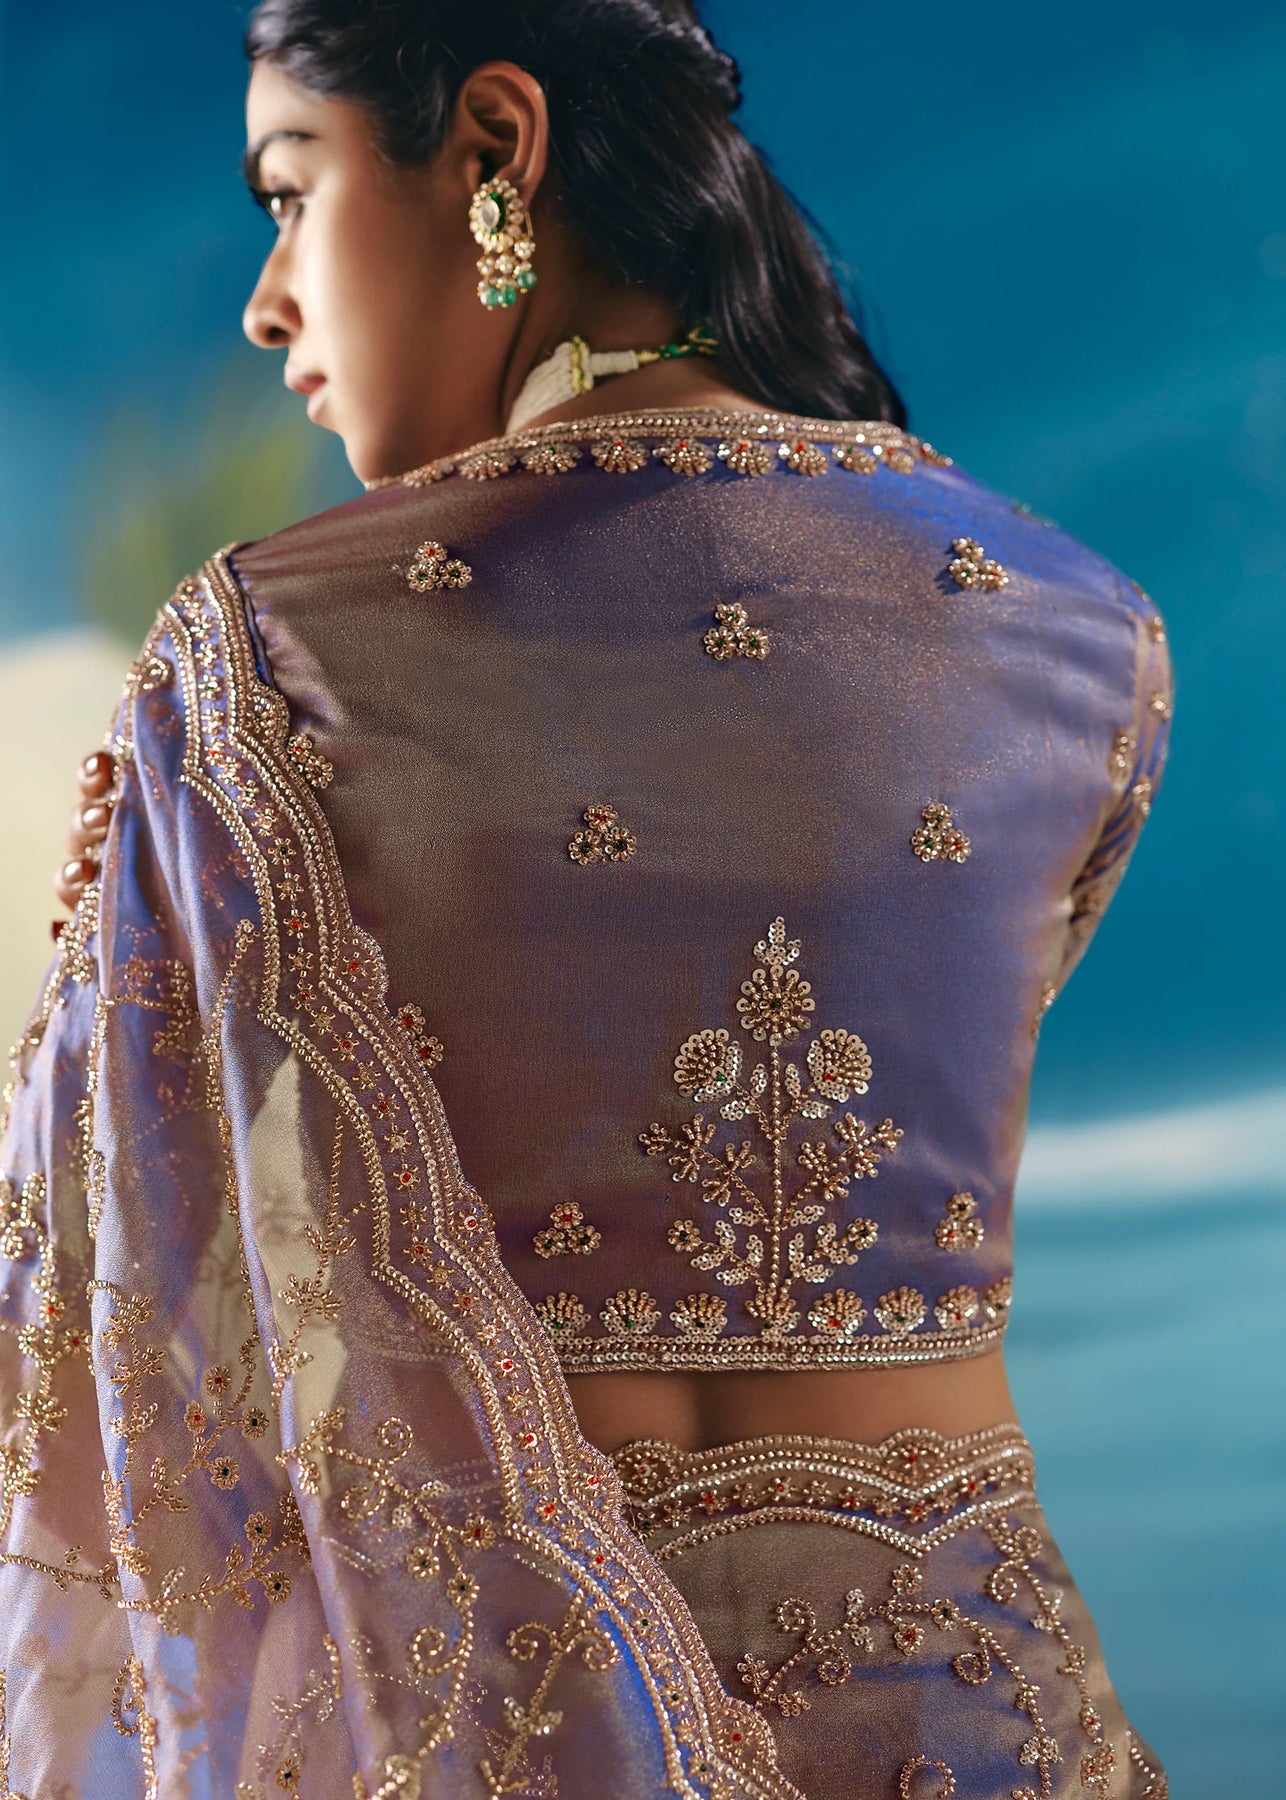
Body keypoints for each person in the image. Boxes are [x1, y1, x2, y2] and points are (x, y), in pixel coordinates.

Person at [6, 3, 1171, 1795]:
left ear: (494, 150)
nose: (265, 304)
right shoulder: (1086, 633)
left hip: (488, 1728)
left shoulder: (263, 659)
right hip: (979, 1719)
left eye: (290, 192)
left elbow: (110, 1367)